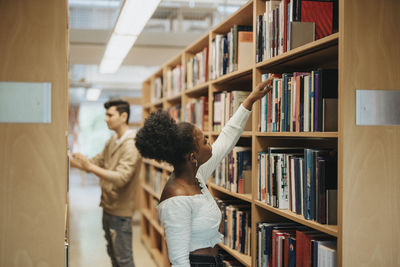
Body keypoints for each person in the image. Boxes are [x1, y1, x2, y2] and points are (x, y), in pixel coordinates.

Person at [134, 78, 274, 267]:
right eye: (205, 141)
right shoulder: (176, 197)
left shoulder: (195, 175)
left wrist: (249, 101)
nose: (210, 143)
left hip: (214, 261)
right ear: (193, 157)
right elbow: (179, 261)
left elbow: (225, 140)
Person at [70, 99, 141, 267]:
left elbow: (121, 178)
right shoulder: (112, 140)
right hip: (108, 207)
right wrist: (74, 160)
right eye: (106, 115)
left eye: (110, 115)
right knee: (114, 255)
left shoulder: (131, 145)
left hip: (120, 212)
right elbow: (96, 162)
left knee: (124, 260)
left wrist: (89, 166)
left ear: (124, 116)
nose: (106, 119)